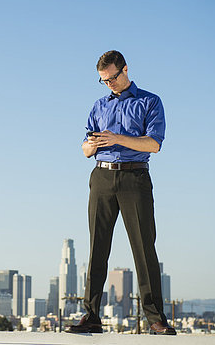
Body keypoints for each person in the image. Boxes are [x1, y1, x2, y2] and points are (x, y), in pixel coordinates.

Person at [66, 50, 176, 335]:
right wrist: (91, 146)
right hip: (101, 176)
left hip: (134, 177)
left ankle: (155, 319)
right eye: (103, 80)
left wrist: (117, 138)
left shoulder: (150, 101)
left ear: (125, 69)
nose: (109, 84)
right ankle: (90, 316)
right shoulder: (98, 105)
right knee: (97, 248)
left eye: (113, 77)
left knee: (143, 247)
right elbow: (84, 148)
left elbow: (154, 144)